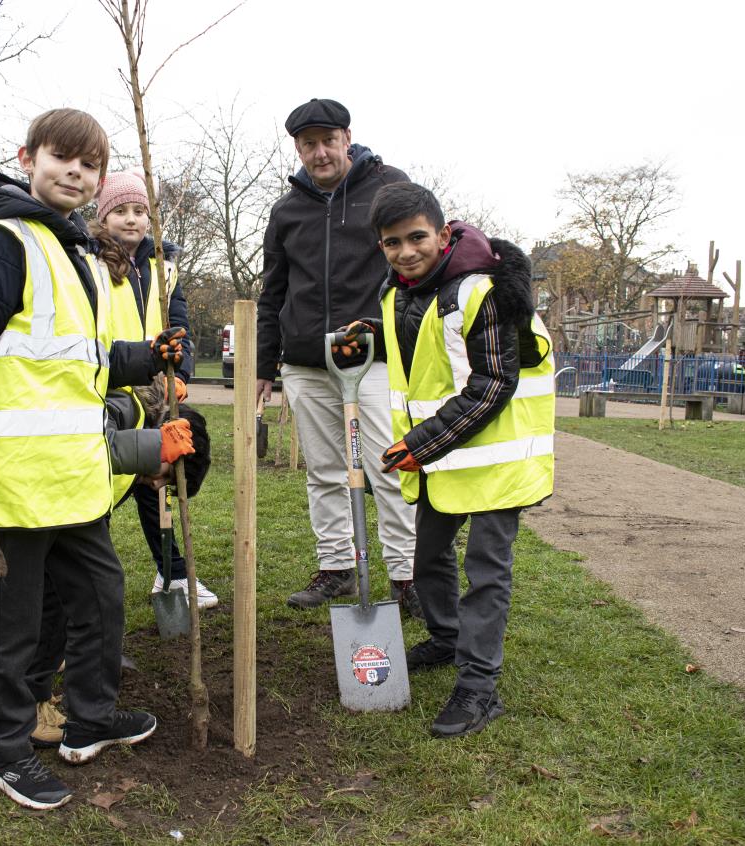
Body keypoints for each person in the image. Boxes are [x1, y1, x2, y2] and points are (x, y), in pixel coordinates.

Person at [0, 108, 190, 810]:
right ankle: (2, 752)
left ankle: (90, 720)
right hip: (15, 482)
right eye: (62, 158)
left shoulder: (65, 248)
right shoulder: (3, 243)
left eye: (90, 164)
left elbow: (80, 361)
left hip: (73, 478)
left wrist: (144, 357)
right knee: (18, 624)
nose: (76, 172)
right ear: (27, 158)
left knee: (101, 599)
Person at [343, 182, 554, 738]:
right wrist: (373, 336)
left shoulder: (481, 292)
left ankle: (479, 687)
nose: (406, 251)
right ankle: (445, 636)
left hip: (493, 458)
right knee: (428, 553)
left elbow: (492, 383)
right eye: (392, 243)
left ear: (442, 233)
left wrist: (421, 444)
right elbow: (426, 348)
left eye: (416, 238)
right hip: (445, 457)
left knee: (486, 571)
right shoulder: (397, 295)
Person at [256, 98, 421, 618]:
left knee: (390, 466)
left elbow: (418, 265)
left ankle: (407, 575)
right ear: (298, 149)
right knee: (324, 471)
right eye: (309, 144)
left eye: (329, 140)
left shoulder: (389, 187)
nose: (320, 152)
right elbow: (273, 291)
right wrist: (264, 365)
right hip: (306, 362)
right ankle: (336, 568)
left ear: (348, 139)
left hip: (373, 359)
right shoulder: (287, 211)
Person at [28, 379, 213, 748]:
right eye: (165, 479)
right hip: (40, 504)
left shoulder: (133, 424)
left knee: (80, 593)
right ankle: (30, 709)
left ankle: (42, 694)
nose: (156, 487)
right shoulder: (121, 412)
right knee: (61, 597)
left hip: (51, 505)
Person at [93, 171, 218, 609]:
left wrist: (178, 372)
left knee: (156, 485)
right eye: (120, 211)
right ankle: (83, 576)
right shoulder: (91, 261)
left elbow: (178, 325)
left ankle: (173, 573)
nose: (131, 220)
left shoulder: (163, 267)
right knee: (103, 486)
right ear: (102, 215)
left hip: (152, 390)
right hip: (107, 387)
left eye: (140, 211)